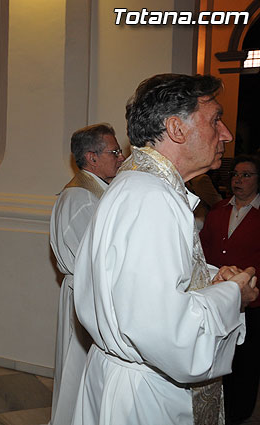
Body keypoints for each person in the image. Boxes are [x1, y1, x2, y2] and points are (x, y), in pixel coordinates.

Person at [72, 74, 258, 425]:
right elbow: (167, 333)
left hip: (132, 380)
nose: (227, 134)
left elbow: (148, 294)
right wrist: (234, 294)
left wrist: (211, 281)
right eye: (215, 120)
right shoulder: (153, 198)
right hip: (148, 394)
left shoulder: (140, 185)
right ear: (176, 128)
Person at [48, 123, 124, 425]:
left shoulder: (97, 193)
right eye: (114, 151)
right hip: (85, 295)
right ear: (91, 158)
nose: (120, 157)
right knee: (75, 374)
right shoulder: (79, 199)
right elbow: (90, 260)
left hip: (93, 294)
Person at [200, 155, 260, 424]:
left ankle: (240, 414)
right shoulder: (219, 210)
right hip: (218, 299)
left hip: (253, 302)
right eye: (236, 174)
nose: (238, 179)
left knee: (247, 362)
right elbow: (203, 251)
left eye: (246, 175)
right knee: (221, 357)